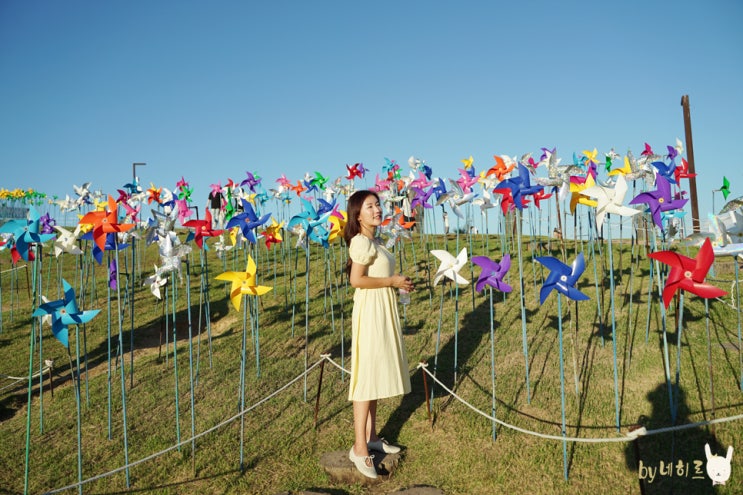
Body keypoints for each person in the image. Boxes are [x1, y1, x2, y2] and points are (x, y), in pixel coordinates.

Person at [343, 190, 414, 479]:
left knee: (373, 376)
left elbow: (374, 278)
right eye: (369, 206)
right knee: (365, 378)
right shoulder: (361, 241)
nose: (376, 209)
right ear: (357, 215)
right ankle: (360, 448)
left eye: (377, 204)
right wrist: (391, 280)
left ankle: (372, 436)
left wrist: (398, 285)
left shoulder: (376, 242)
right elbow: (355, 280)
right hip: (370, 313)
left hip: (381, 309)